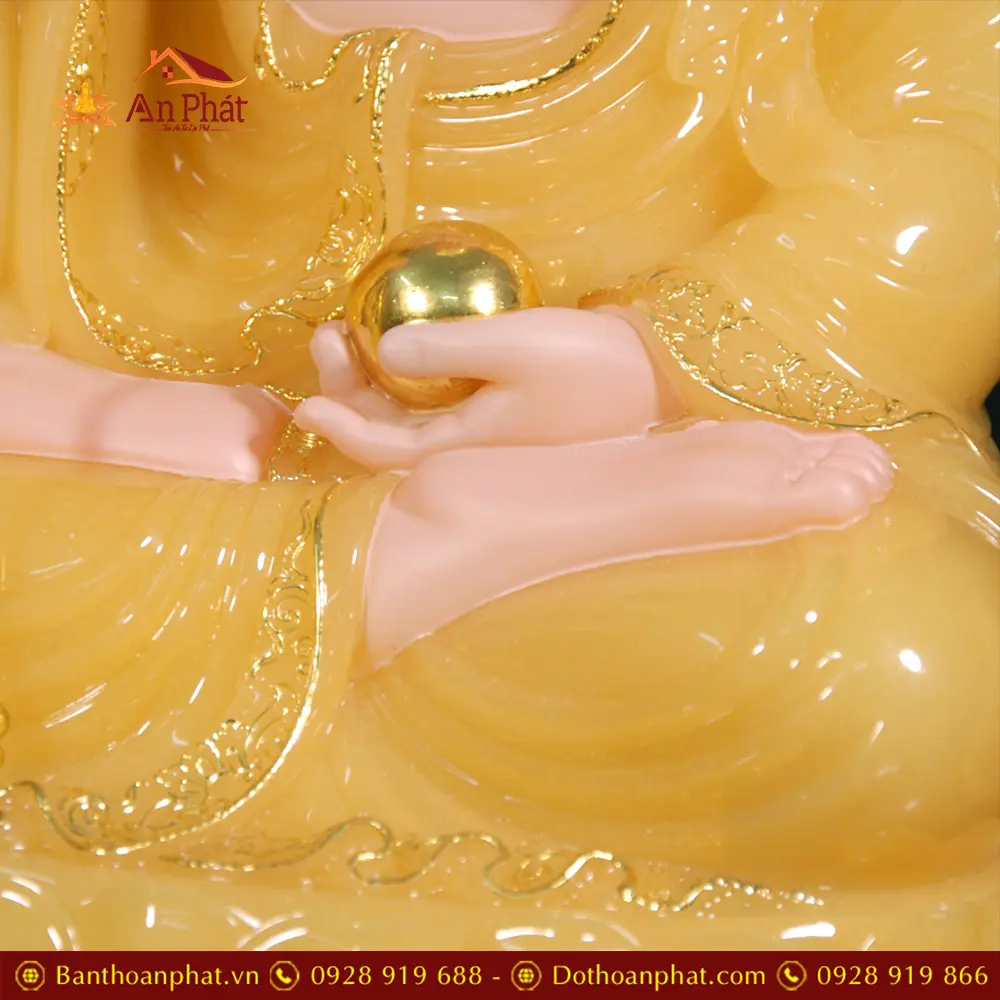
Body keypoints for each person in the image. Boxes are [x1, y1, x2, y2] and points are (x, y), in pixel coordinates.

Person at [0, 0, 997, 950]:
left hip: (665, 503)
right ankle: (418, 548)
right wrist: (194, 427)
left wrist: (649, 359)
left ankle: (426, 549)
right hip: (131, 460)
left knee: (907, 687)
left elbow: (958, 148)